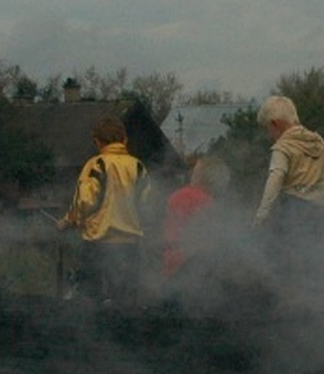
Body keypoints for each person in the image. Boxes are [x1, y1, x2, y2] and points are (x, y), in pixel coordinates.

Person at [56, 116, 150, 305]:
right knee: (127, 302)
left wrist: (68, 220)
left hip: (98, 245)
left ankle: (94, 335)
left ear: (98, 142)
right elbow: (146, 205)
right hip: (130, 246)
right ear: (125, 140)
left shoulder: (97, 165)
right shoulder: (138, 167)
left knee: (91, 301)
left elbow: (85, 201)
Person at [252, 95, 324, 230]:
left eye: (267, 128)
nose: (269, 134)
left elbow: (275, 178)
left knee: (287, 249)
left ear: (275, 123)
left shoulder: (282, 147)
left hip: (296, 210)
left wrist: (261, 216)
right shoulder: (318, 142)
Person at [163, 155, 229, 278]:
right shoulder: (207, 201)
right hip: (194, 265)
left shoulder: (175, 196)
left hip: (171, 261)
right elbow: (210, 240)